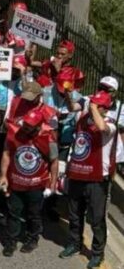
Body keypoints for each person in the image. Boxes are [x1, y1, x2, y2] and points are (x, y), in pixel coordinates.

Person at [59, 90, 116, 268]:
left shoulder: (110, 124)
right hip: (77, 174)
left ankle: (97, 253)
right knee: (75, 214)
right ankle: (74, 244)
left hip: (97, 180)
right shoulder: (82, 118)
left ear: (105, 109)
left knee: (96, 218)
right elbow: (70, 107)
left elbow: (100, 127)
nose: (92, 107)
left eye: (97, 105)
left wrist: (92, 106)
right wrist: (68, 94)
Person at [0, 109, 57, 257]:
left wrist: (53, 184)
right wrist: (3, 175)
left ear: (38, 126)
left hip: (37, 185)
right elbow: (6, 153)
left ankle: (32, 239)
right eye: (25, 124)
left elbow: (54, 161)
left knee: (34, 214)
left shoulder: (48, 138)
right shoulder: (14, 133)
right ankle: (11, 241)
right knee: (13, 212)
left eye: (29, 126)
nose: (25, 127)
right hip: (16, 182)